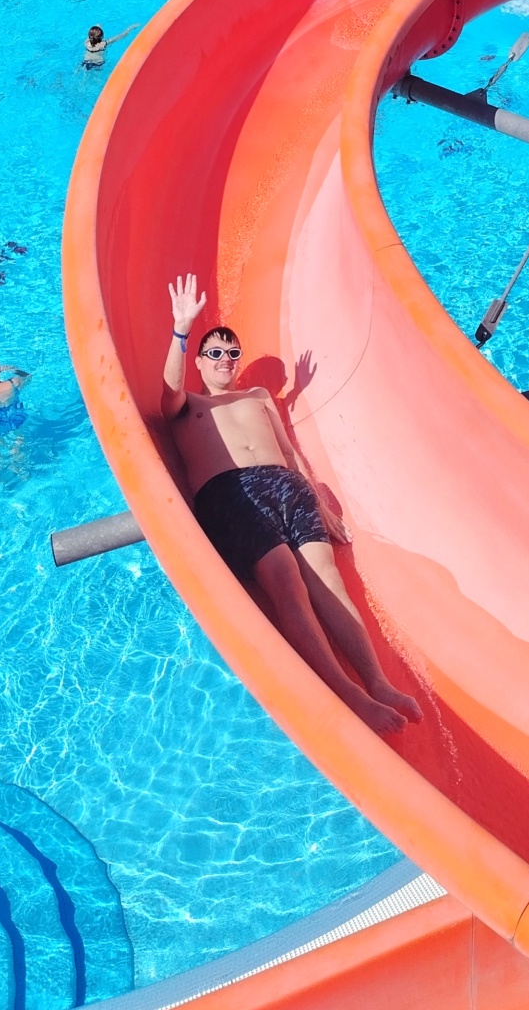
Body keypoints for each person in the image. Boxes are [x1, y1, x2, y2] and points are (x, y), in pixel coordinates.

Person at [162, 274, 421, 737]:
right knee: (285, 577)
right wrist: (181, 330)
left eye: (233, 352)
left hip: (287, 486)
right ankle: (350, 695)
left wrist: (318, 499)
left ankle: (378, 682)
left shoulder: (259, 396)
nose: (225, 359)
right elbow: (168, 392)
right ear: (200, 361)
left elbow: (288, 450)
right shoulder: (190, 405)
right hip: (231, 492)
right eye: (215, 353)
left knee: (328, 578)